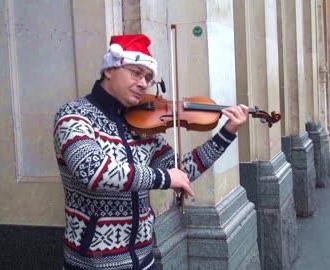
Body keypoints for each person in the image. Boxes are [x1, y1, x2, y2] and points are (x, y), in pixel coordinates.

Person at [53, 34, 250, 270]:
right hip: (94, 262)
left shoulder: (141, 124)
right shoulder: (74, 115)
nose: (144, 83)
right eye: (136, 73)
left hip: (144, 259)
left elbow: (181, 171)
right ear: (109, 69)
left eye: (148, 78)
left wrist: (226, 133)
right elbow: (94, 172)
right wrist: (165, 178)